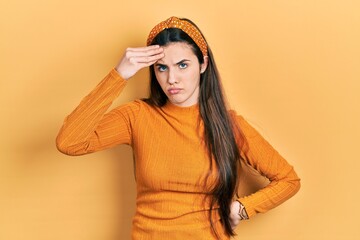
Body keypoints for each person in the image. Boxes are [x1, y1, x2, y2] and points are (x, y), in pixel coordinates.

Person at [56, 16, 301, 240]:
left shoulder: (228, 124)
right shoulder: (137, 116)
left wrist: (242, 209)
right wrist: (119, 75)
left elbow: (288, 180)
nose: (171, 78)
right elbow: (69, 142)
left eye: (182, 65)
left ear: (203, 64)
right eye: (162, 67)